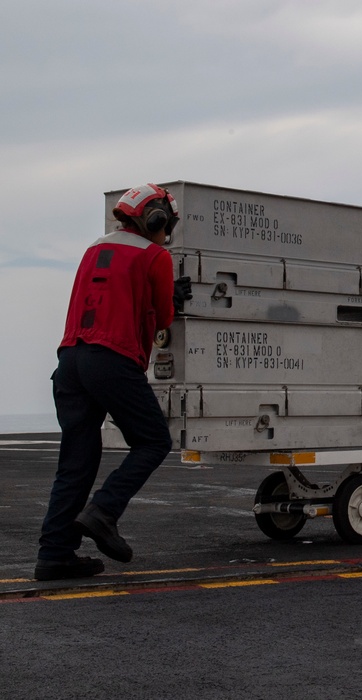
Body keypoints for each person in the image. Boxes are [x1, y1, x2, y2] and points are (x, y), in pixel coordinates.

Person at [35, 183, 192, 581]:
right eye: (166, 224)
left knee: (76, 462)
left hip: (70, 359)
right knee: (154, 440)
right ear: (155, 220)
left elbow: (112, 293)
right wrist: (172, 298)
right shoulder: (154, 255)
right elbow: (163, 319)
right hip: (111, 359)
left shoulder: (92, 250)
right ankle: (104, 512)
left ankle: (54, 554)